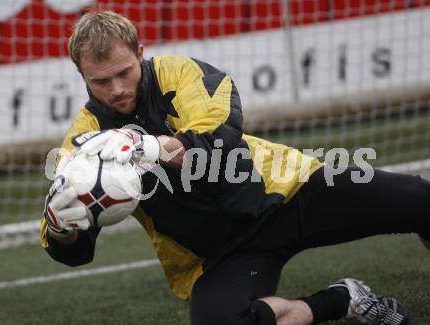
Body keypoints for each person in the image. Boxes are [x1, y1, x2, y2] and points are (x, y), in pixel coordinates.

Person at [40, 10, 429, 325]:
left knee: (419, 198)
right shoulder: (83, 141)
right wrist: (63, 229)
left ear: (140, 51)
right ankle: (344, 299)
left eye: (124, 72)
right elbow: (73, 249)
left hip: (288, 192)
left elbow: (218, 139)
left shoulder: (181, 73)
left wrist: (151, 147)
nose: (117, 89)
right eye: (101, 82)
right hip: (219, 253)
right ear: (82, 76)